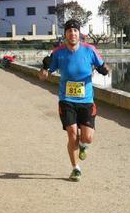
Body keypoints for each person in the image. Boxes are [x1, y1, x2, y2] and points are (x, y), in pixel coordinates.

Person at [39, 19, 110, 182]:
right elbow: (42, 77)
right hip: (66, 99)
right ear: (65, 34)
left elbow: (105, 67)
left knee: (87, 138)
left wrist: (103, 69)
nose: (72, 34)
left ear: (79, 34)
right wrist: (44, 68)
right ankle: (76, 168)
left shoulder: (90, 50)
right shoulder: (58, 52)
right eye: (69, 31)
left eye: (75, 31)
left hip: (86, 101)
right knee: (72, 134)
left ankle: (84, 146)